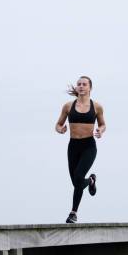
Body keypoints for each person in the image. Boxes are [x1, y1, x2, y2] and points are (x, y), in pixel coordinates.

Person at [55, 76, 106, 223]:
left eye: (84, 84)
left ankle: (73, 213)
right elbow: (58, 124)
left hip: (89, 146)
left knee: (78, 177)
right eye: (79, 84)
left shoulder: (97, 107)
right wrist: (61, 129)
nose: (81, 86)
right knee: (76, 182)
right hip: (73, 147)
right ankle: (90, 180)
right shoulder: (67, 106)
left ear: (90, 87)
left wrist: (100, 131)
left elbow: (103, 124)